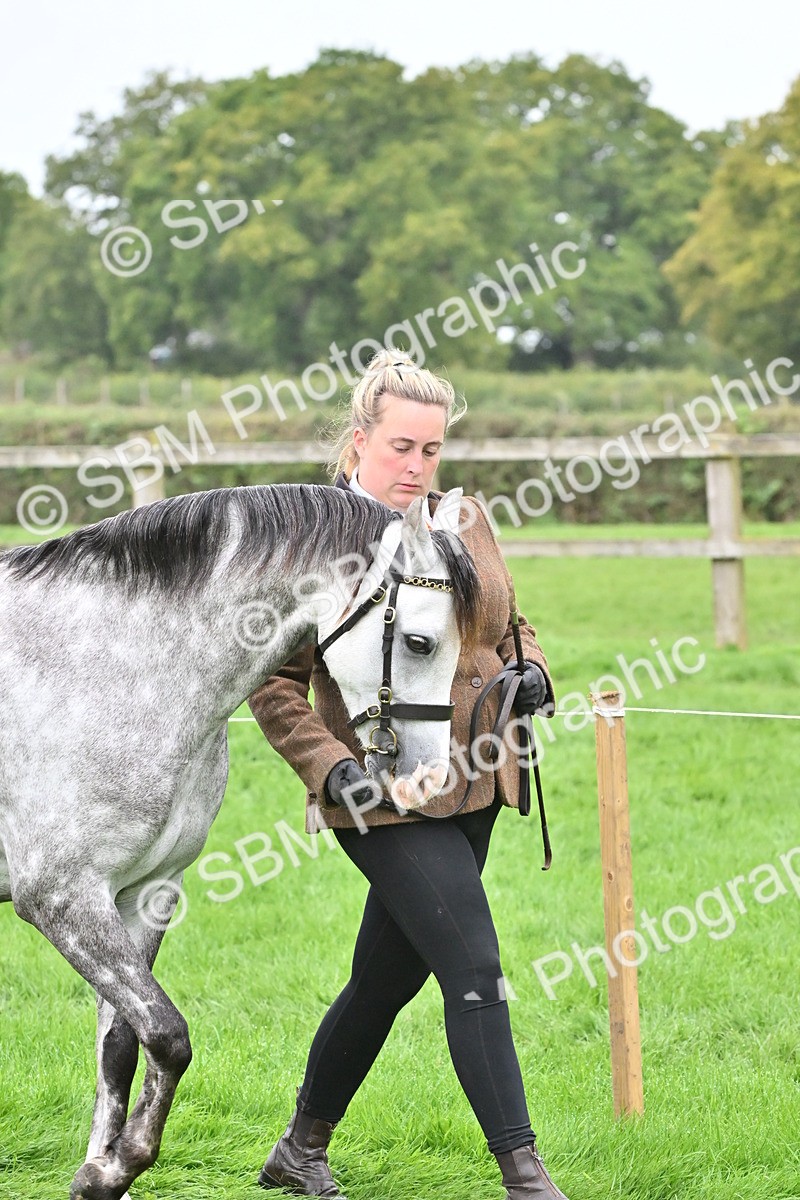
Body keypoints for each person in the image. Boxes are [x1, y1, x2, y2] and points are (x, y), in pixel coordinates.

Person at [248, 350, 570, 1200]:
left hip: (481, 777)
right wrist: (330, 769)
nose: (417, 466)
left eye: (430, 449)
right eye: (400, 447)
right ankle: (525, 1176)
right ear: (359, 443)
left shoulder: (463, 519)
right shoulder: (313, 545)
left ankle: (299, 1150)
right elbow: (275, 684)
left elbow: (508, 618)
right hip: (382, 793)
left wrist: (530, 668)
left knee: (384, 979)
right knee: (474, 964)